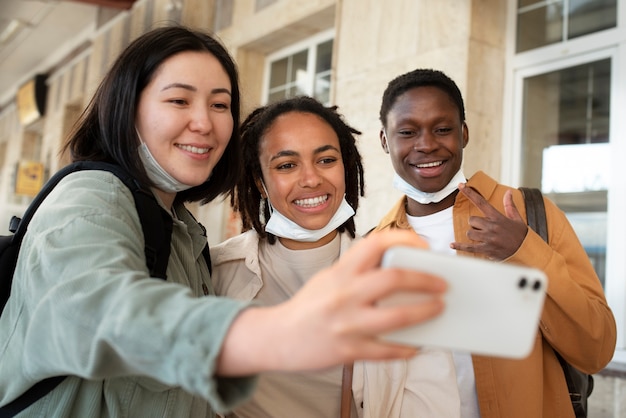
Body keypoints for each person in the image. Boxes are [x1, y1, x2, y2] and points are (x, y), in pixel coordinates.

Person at [0, 27, 450, 418]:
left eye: (220, 105)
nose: (204, 122)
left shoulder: (182, 232)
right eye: (179, 100)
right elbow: (95, 311)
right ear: (127, 106)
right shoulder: (92, 195)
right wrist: (276, 334)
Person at [374, 68, 617, 418]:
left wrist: (524, 251)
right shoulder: (376, 246)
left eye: (442, 129)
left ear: (464, 134)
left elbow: (597, 348)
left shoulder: (530, 213)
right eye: (407, 132)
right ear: (385, 141)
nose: (426, 144)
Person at [211, 95, 460, 418]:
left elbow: (434, 405)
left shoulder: (396, 279)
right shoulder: (216, 272)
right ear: (260, 182)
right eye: (287, 165)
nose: (312, 179)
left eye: (326, 160)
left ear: (346, 166)